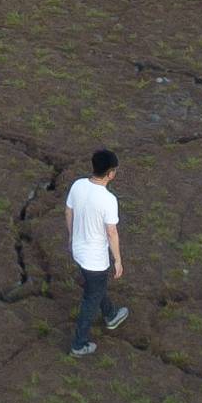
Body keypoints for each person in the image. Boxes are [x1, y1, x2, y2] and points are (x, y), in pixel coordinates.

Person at [64, 149, 128, 357]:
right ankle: (78, 344)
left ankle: (111, 314)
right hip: (95, 259)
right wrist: (117, 260)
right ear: (110, 173)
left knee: (95, 287)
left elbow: (68, 211)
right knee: (91, 298)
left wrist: (72, 236)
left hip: (79, 251)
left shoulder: (78, 185)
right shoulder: (108, 200)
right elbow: (111, 232)